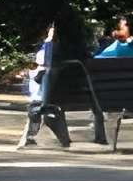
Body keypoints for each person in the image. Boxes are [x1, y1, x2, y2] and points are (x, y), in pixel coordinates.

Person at [27, 8, 103, 149]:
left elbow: (50, 67)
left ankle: (60, 137)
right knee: (50, 90)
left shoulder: (56, 47)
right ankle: (100, 137)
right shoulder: (82, 47)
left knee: (43, 100)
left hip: (58, 95)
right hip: (86, 94)